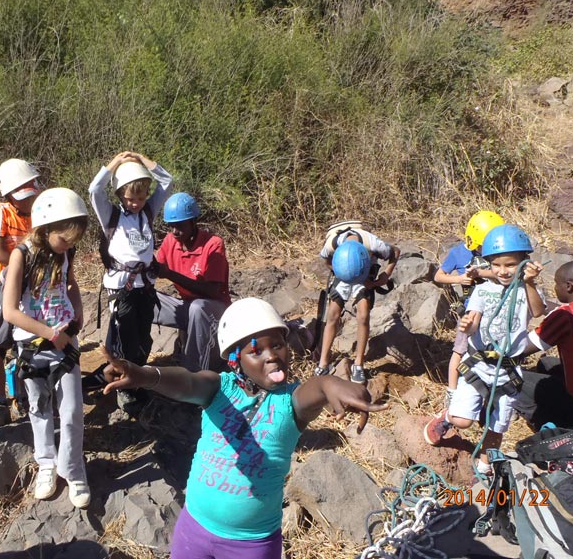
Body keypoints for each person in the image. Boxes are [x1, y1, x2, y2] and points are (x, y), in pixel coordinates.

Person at [102, 297, 387, 558]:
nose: (271, 356)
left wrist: (334, 384)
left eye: (277, 345)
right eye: (256, 351)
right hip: (194, 528)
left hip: (251, 544)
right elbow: (187, 382)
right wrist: (143, 375)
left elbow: (320, 387)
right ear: (235, 360)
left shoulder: (291, 402)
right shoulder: (219, 389)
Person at [423, 224, 545, 476]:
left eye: (510, 265)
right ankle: (448, 416)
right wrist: (468, 326)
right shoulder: (482, 290)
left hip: (508, 372)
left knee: (497, 427)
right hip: (478, 366)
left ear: (524, 262)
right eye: (496, 265)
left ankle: (485, 464)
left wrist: (530, 282)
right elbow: (474, 319)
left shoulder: (527, 291)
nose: (503, 271)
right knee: (463, 421)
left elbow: (537, 311)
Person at [2, 188, 90, 509]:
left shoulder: (66, 252)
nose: (68, 245)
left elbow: (70, 282)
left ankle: (73, 468)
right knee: (39, 405)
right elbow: (10, 311)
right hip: (33, 344)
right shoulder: (21, 255)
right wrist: (50, 334)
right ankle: (46, 462)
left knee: (72, 409)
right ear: (45, 227)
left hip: (65, 340)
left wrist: (77, 310)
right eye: (64, 238)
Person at [88, 151, 171, 410]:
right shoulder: (111, 216)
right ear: (120, 194)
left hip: (145, 285)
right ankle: (124, 388)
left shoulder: (147, 212)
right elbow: (94, 190)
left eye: (141, 197)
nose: (136, 203)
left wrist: (141, 160)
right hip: (120, 287)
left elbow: (167, 181)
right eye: (130, 198)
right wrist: (116, 163)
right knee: (124, 339)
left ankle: (136, 381)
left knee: (143, 338)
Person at [0, 159, 41, 429]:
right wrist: (22, 269)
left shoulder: (40, 210)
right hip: (3, 283)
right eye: (23, 196)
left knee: (29, 343)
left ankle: (25, 398)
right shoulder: (0, 210)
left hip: (34, 283)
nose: (28, 200)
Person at [515, 260, 573, 436]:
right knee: (546, 363)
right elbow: (560, 309)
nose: (555, 288)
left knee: (513, 377)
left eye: (556, 283)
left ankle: (555, 425)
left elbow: (520, 349)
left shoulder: (565, 316)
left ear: (568, 286)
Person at [313, 222, 400, 384]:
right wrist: (336, 270)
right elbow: (325, 258)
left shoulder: (372, 242)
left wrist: (385, 275)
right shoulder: (332, 243)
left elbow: (395, 251)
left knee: (363, 315)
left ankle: (358, 364)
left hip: (364, 275)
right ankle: (323, 363)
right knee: (332, 315)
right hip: (342, 273)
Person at [434, 210, 503, 407]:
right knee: (460, 350)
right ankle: (452, 391)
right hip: (469, 312)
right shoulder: (458, 253)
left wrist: (481, 273)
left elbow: (503, 274)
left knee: (493, 352)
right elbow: (439, 276)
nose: (485, 249)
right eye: (482, 245)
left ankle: (494, 395)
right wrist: (459, 279)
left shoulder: (496, 254)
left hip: (494, 311)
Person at [154, 192, 230, 371]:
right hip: (187, 307)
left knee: (197, 307)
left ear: (193, 222)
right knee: (143, 298)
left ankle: (194, 373)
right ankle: (132, 359)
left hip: (214, 310)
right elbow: (156, 268)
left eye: (180, 225)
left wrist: (170, 274)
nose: (174, 231)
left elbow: (211, 291)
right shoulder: (170, 241)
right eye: (171, 226)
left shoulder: (213, 244)